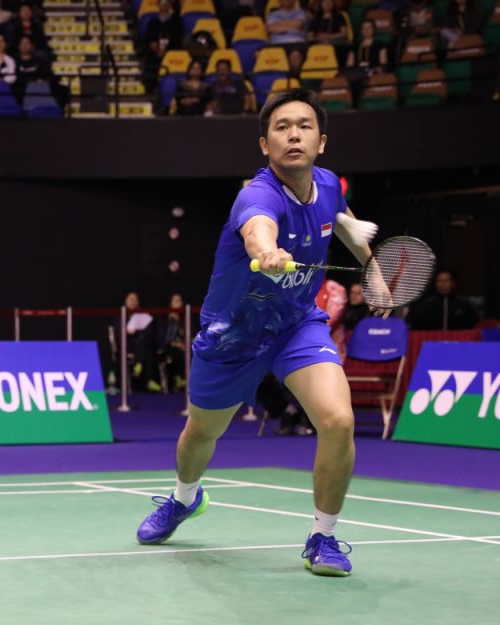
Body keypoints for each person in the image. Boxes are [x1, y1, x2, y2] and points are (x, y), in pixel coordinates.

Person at [135, 89, 382, 578]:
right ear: (265, 145)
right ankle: (185, 498)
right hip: (233, 336)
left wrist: (372, 269)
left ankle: (324, 537)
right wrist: (265, 247)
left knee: (337, 420)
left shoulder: (329, 184)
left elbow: (345, 225)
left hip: (295, 324)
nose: (294, 134)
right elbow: (257, 227)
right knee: (200, 434)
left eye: (305, 126)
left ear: (322, 141)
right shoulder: (258, 194)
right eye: (282, 127)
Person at [406, 270, 479, 330]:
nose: (442, 284)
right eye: (439, 281)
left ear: (453, 283)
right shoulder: (426, 305)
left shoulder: (465, 304)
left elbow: (475, 326)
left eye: (446, 281)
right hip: (432, 344)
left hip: (458, 344)